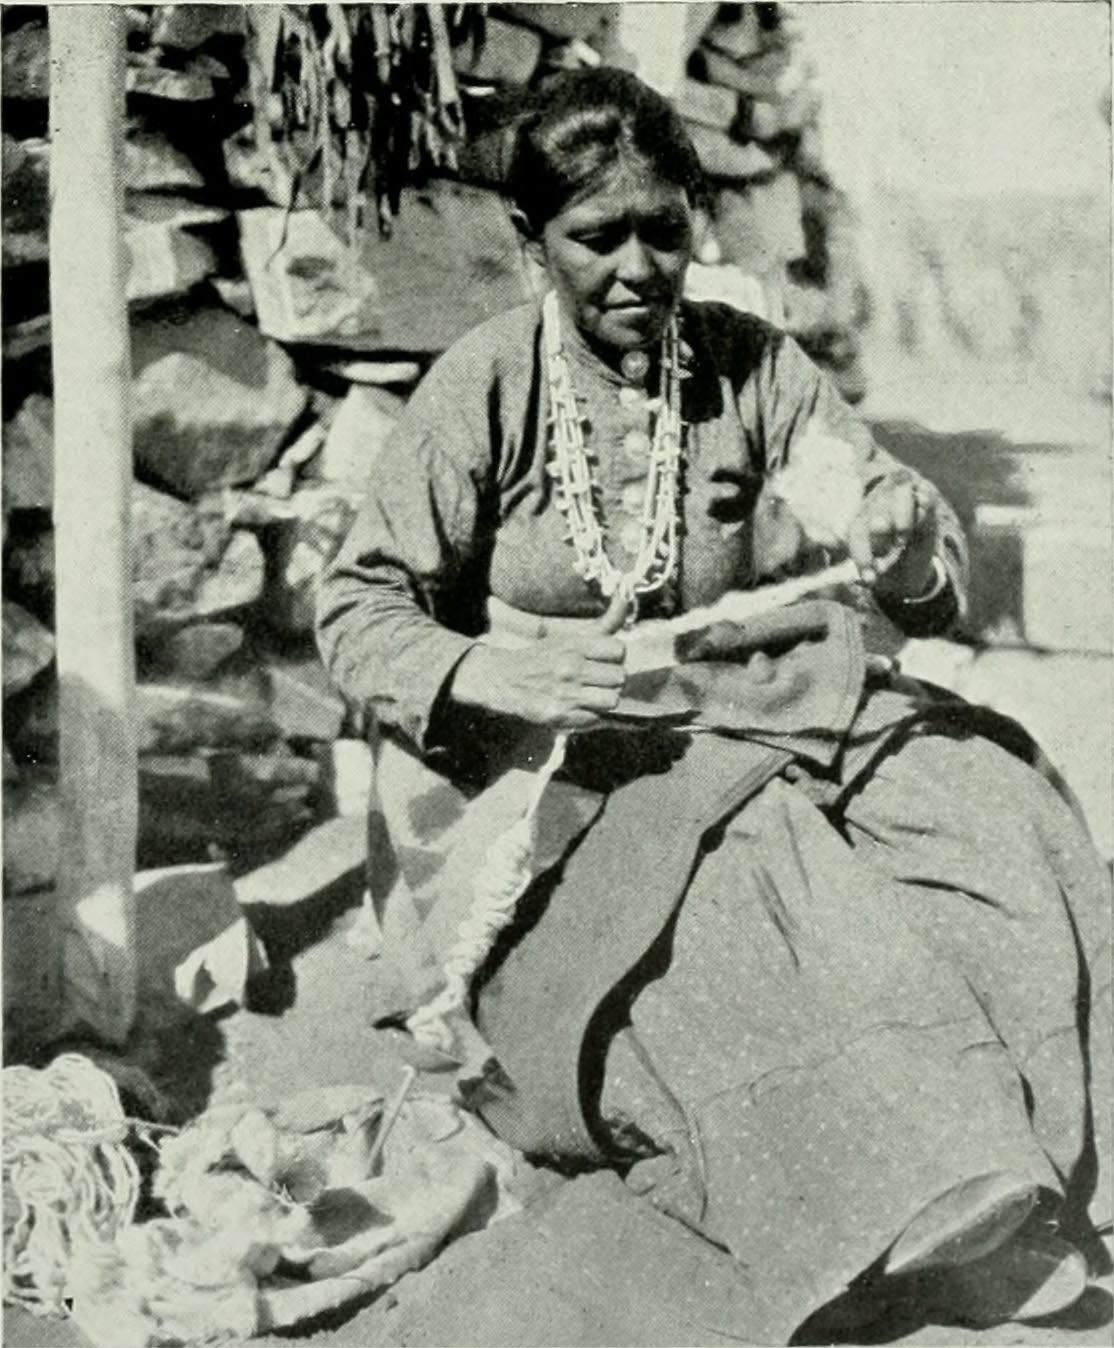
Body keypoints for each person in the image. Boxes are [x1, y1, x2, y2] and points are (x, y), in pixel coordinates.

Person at [317, 68, 1110, 1344]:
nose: (638, 267)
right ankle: (916, 1196)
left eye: (663, 229)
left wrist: (904, 541)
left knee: (983, 799)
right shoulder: (485, 388)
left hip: (745, 708)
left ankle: (1063, 1155)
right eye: (597, 237)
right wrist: (488, 675)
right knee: (754, 878)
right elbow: (356, 607)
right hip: (542, 772)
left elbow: (889, 528)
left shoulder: (748, 364)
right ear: (530, 243)